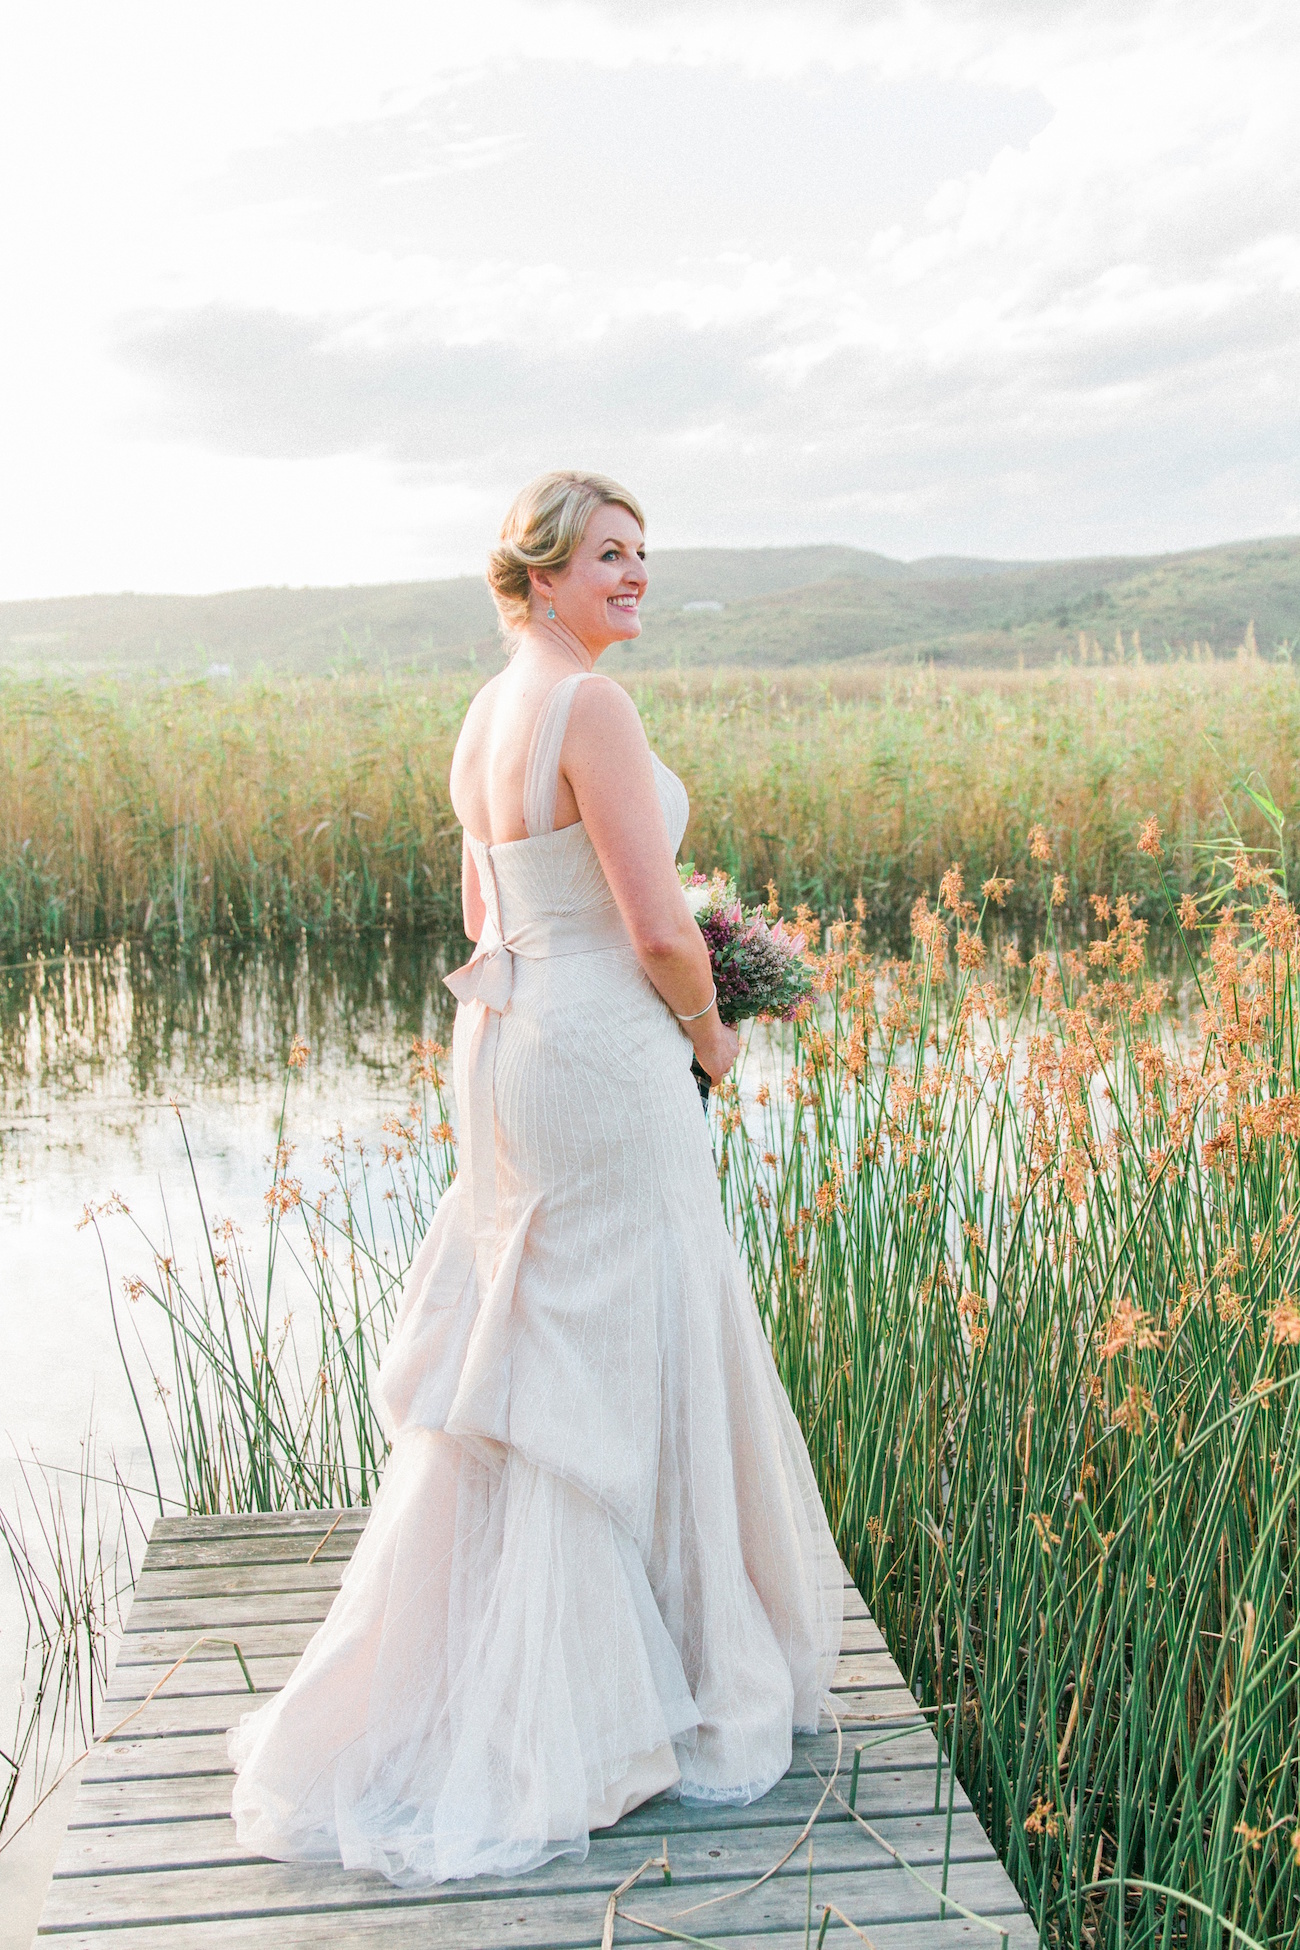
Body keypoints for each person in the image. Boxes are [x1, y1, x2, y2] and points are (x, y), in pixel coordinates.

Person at [228, 470, 843, 1884]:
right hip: (600, 1053)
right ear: (543, 572)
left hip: (502, 1037)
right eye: (610, 554)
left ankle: (520, 1677)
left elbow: (484, 904)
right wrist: (712, 1026)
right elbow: (651, 923)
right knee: (623, 1331)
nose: (637, 574)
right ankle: (619, 1703)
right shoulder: (595, 707)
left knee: (534, 1327)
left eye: (644, 552)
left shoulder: (485, 712)